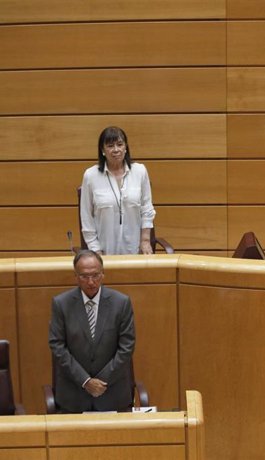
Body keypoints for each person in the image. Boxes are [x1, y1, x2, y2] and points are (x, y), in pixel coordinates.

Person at [48, 250, 136, 413]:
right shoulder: (61, 304)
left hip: (112, 393)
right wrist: (86, 381)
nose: (90, 282)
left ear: (103, 274)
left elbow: (127, 347)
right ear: (76, 276)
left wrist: (100, 382)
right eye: (84, 276)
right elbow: (57, 346)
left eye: (95, 275)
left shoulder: (121, 303)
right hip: (74, 397)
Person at [80, 126, 156, 255]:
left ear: (126, 147)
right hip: (103, 251)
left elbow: (147, 209)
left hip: (136, 250)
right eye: (110, 146)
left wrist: (145, 240)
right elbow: (86, 216)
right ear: (102, 150)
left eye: (120, 144)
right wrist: (95, 249)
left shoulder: (140, 171)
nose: (116, 150)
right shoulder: (90, 176)